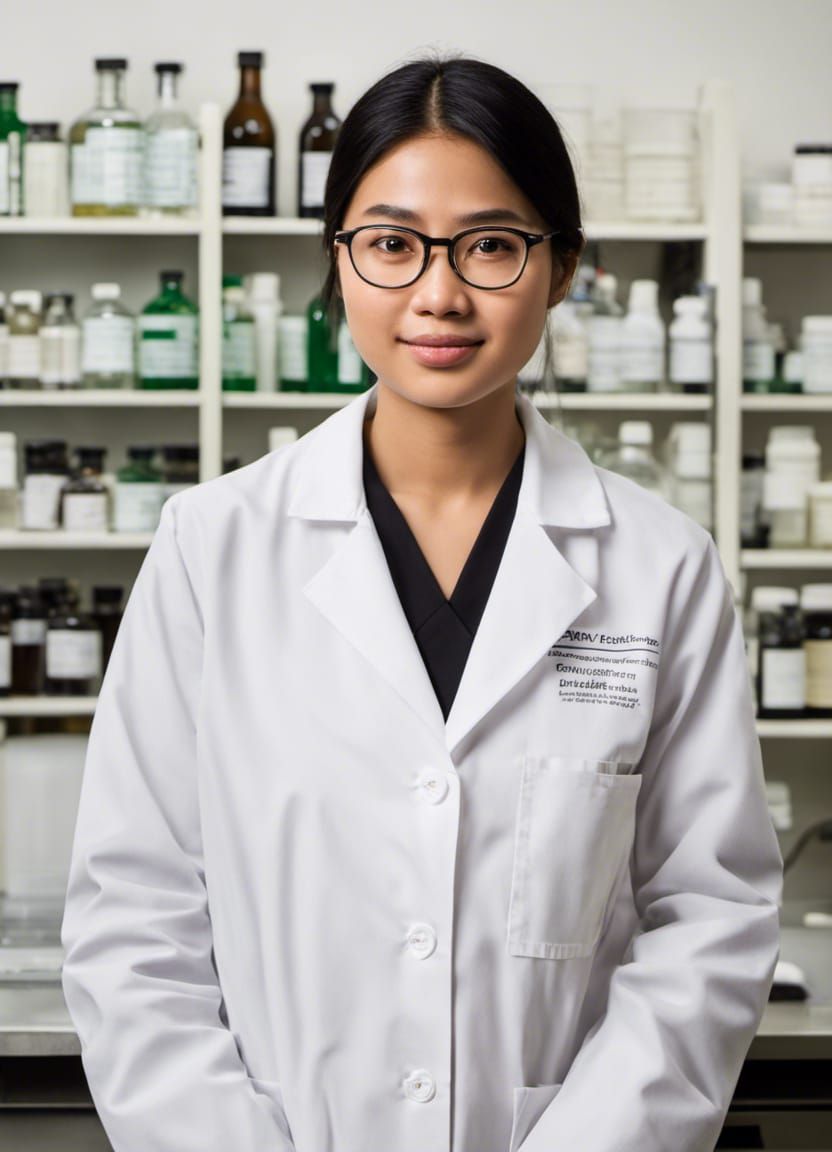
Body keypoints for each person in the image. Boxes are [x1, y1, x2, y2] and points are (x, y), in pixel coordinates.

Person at [61, 50, 783, 1152]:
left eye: (489, 245)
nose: (438, 294)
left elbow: (709, 921)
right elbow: (133, 919)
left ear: (562, 266)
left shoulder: (661, 569)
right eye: (393, 244)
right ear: (338, 259)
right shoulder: (212, 548)